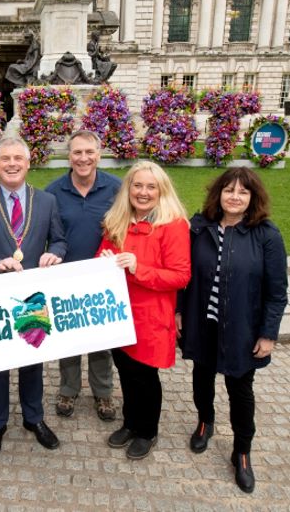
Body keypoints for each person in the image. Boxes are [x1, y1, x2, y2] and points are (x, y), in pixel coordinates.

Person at [177, 167, 288, 494]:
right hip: (203, 324)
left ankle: (242, 450)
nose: (235, 197)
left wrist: (268, 333)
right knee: (201, 376)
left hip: (242, 329)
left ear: (252, 198)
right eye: (229, 190)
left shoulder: (266, 234)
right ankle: (205, 421)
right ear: (218, 194)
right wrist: (180, 310)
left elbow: (277, 291)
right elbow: (185, 275)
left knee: (241, 391)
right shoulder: (200, 228)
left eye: (243, 192)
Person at [0, 136, 67, 458]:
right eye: (4, 159)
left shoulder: (46, 201)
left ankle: (34, 418)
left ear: (28, 163)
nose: (11, 164)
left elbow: (59, 241)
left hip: (32, 294)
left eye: (18, 158)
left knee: (32, 358)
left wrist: (55, 255)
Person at [97, 162, 191, 460]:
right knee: (125, 371)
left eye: (151, 187)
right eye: (137, 185)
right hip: (119, 312)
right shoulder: (118, 219)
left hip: (150, 316)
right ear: (128, 188)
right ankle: (130, 422)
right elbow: (101, 253)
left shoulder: (172, 224)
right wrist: (105, 258)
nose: (143, 192)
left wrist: (139, 268)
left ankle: (147, 430)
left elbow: (180, 276)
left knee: (145, 378)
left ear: (161, 190)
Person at [45, 130, 121, 421]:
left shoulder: (116, 189)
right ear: (69, 155)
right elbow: (51, 234)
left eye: (89, 152)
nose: (83, 158)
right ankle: (69, 388)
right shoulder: (54, 191)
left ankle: (103, 394)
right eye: (77, 152)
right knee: (70, 338)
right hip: (67, 277)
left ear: (99, 154)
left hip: (105, 277)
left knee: (102, 341)